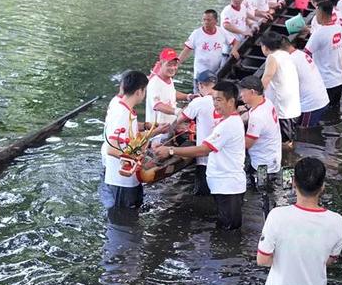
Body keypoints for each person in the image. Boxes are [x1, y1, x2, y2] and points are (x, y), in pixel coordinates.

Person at [154, 81, 246, 230]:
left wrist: (171, 150)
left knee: (229, 230)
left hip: (228, 187)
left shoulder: (228, 125)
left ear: (231, 101)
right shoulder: (228, 121)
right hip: (225, 185)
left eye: (219, 100)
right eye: (213, 99)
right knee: (225, 228)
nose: (215, 104)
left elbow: (203, 150)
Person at [257, 157, 342, 285]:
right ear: (322, 186)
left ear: (293, 183)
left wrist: (285, 258)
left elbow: (262, 260)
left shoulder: (277, 216)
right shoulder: (337, 221)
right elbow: (328, 260)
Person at [102, 71, 150, 209]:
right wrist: (133, 158)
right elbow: (111, 148)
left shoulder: (125, 108)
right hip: (120, 181)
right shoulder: (121, 113)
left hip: (129, 178)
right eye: (144, 90)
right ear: (139, 91)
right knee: (121, 221)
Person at [170, 70, 220, 195]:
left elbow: (179, 120)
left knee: (202, 194)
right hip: (223, 157)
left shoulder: (199, 102)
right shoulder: (226, 100)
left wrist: (168, 135)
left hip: (204, 157)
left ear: (200, 85)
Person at [179, 10, 239, 92]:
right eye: (204, 20)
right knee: (198, 95)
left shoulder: (221, 32)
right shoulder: (196, 34)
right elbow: (186, 50)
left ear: (216, 21)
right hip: (200, 73)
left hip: (215, 72)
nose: (206, 22)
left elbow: (235, 41)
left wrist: (234, 49)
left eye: (209, 20)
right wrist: (177, 63)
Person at [238, 76, 282, 188]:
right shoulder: (266, 102)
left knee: (261, 191)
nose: (240, 95)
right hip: (273, 155)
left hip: (262, 164)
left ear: (252, 92)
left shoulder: (257, 118)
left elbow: (246, 144)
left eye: (243, 92)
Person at [305, 1, 342, 108]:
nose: (316, 16)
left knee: (323, 112)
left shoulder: (319, 33)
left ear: (321, 14)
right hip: (338, 80)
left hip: (324, 82)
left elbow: (305, 54)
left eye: (317, 13)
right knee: (335, 110)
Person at [260, 32, 301, 146]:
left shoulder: (272, 57)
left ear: (265, 47)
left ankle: (286, 162)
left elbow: (266, 78)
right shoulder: (286, 54)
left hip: (282, 109)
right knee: (289, 140)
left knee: (284, 143)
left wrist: (254, 97)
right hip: (292, 106)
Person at [280, 38, 329, 128]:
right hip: (322, 99)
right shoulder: (301, 54)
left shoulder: (290, 61)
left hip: (311, 106)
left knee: (303, 132)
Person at [146, 48, 191, 124]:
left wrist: (188, 96)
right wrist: (178, 111)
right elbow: (158, 105)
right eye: (169, 65)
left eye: (175, 65)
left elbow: (172, 93)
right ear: (161, 64)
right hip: (157, 133)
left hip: (170, 127)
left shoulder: (169, 78)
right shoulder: (154, 83)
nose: (173, 68)